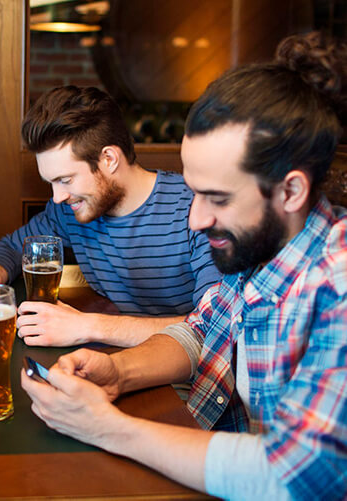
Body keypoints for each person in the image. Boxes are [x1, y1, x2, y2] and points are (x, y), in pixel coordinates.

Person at [21, 32, 346, 500]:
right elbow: (201, 331)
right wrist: (119, 372)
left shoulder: (338, 284)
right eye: (194, 191)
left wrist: (108, 428)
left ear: (291, 192)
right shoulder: (262, 247)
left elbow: (291, 477)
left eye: (217, 197)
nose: (195, 218)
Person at [0, 86, 220, 347]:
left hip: (188, 377)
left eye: (65, 179)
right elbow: (12, 248)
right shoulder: (69, 210)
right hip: (117, 360)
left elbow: (214, 326)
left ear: (109, 159)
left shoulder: (197, 210)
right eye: (51, 182)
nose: (57, 196)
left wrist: (86, 325)